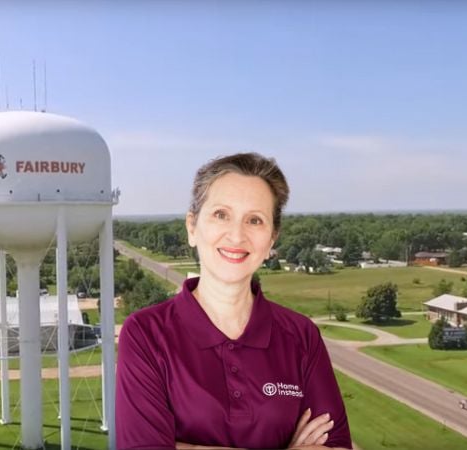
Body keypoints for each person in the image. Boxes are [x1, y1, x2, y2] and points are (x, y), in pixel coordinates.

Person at [116, 152, 352, 449]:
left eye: (254, 220)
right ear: (192, 227)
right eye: (221, 215)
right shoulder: (146, 334)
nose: (237, 236)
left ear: (271, 240)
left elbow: (338, 445)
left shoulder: (301, 336)